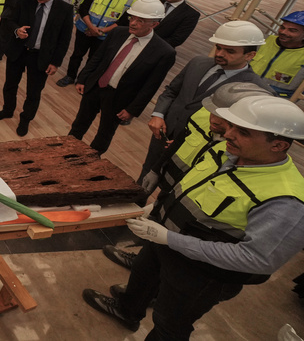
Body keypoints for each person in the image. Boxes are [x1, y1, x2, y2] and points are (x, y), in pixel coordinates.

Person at [82, 95, 304, 340]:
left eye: (243, 131)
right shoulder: (226, 150)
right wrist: (157, 208)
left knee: (169, 324)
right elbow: (192, 187)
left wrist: (171, 239)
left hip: (201, 274)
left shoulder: (286, 199)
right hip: (163, 240)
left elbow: (257, 260)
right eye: (231, 126)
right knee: (142, 279)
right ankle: (127, 310)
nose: (228, 134)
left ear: (278, 145)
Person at [105, 81, 273, 273]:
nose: (214, 120)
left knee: (167, 269)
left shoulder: (237, 152)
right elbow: (179, 144)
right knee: (153, 253)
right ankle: (141, 265)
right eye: (212, 111)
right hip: (176, 194)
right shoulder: (208, 123)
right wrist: (157, 173)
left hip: (196, 241)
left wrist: (170, 236)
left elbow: (256, 258)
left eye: (225, 118)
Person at [138, 20, 268, 184]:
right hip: (162, 133)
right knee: (145, 176)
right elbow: (171, 91)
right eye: (218, 47)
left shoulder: (254, 89)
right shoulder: (198, 63)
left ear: (250, 55)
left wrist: (192, 143)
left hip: (194, 152)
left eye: (230, 51)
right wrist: (158, 114)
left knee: (175, 189)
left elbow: (240, 132)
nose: (220, 54)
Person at [68, 0, 176, 155]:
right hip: (96, 87)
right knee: (79, 124)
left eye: (140, 20)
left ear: (154, 24)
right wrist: (83, 78)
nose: (132, 23)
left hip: (120, 99)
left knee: (104, 134)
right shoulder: (118, 32)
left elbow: (150, 86)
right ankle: (66, 152)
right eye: (132, 18)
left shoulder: (164, 52)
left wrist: (132, 110)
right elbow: (98, 58)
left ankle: (91, 161)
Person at [0, 0, 73, 136]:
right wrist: (16, 30)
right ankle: (7, 110)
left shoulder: (65, 10)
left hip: (41, 57)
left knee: (33, 92)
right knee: (10, 85)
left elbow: (64, 39)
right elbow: (9, 21)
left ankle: (25, 119)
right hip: (18, 51)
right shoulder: (24, 1)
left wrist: (56, 62)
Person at [57, 0, 138, 87]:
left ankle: (82, 80)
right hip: (84, 29)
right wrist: (91, 27)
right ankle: (70, 76)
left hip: (105, 35)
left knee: (94, 59)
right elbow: (83, 9)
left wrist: (102, 31)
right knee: (77, 55)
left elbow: (123, 21)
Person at [118, 0, 199, 48]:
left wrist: (147, 44)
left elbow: (177, 39)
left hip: (155, 49)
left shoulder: (190, 14)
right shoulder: (151, 1)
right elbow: (126, 21)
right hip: (130, 41)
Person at [250, 11, 304, 97]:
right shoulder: (263, 40)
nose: (284, 32)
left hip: (276, 98)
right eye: (282, 27)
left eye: (292, 30)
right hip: (244, 86)